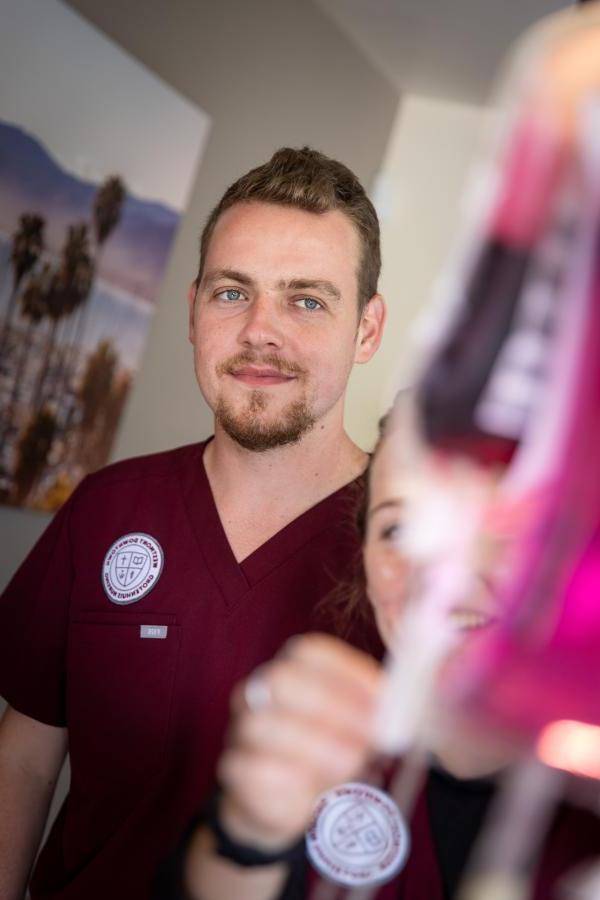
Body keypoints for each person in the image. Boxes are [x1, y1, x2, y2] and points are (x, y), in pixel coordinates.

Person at [0, 147, 387, 900]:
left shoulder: (407, 561)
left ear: (367, 330)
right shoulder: (108, 508)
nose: (260, 332)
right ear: (193, 309)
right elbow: (26, 756)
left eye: (307, 300)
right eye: (232, 292)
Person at [176, 401, 600, 900]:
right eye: (398, 530)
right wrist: (251, 831)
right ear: (364, 555)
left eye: (497, 527)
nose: (438, 576)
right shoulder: (328, 735)